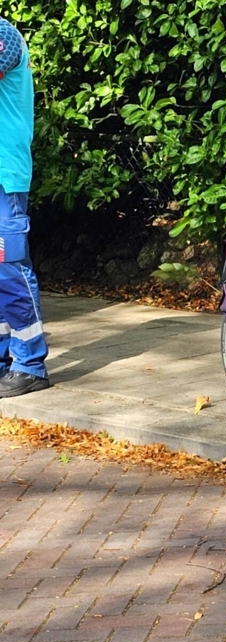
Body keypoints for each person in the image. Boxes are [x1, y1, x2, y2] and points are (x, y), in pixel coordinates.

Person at [0, 17, 49, 397]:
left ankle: (30, 363)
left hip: (6, 173)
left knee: (10, 267)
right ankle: (5, 356)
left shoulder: (4, 35)